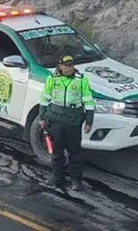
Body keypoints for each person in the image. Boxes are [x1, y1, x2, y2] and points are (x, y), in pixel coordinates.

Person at [37, 55, 95, 190]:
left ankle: (76, 180)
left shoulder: (81, 80)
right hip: (55, 120)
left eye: (71, 66)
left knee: (75, 152)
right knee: (57, 151)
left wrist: (89, 121)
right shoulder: (52, 79)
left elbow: (89, 102)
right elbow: (44, 99)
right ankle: (57, 177)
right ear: (60, 66)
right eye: (67, 66)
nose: (70, 68)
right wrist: (41, 118)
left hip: (73, 122)